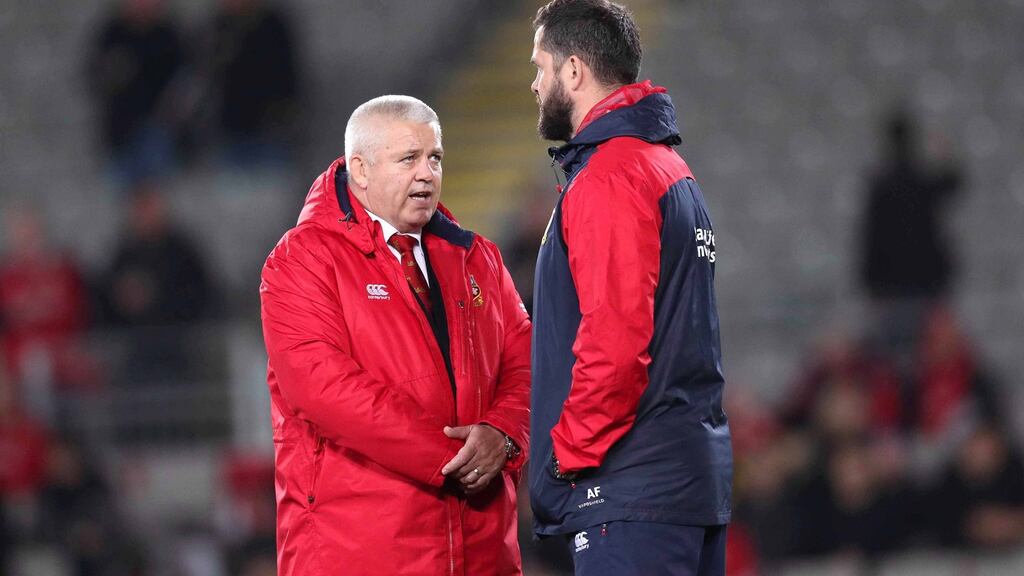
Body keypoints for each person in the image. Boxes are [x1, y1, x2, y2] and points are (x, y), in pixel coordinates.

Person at [260, 95, 531, 575]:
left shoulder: (477, 257)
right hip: (360, 551)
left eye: (435, 158)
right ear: (359, 170)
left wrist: (506, 434)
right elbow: (323, 389)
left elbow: (527, 358)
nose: (427, 173)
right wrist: (460, 457)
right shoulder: (302, 260)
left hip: (482, 549)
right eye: (409, 158)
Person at [526, 2, 732, 575]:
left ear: (573, 71)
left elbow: (615, 346)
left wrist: (563, 459)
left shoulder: (612, 175)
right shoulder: (667, 168)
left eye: (540, 67)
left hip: (631, 488)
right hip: (683, 481)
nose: (534, 83)